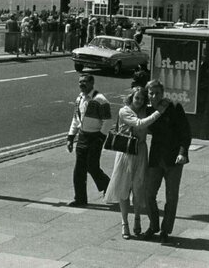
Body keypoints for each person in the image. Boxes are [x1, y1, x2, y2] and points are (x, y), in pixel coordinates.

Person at [104, 87, 169, 239]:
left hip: (140, 151)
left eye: (141, 98)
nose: (139, 101)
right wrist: (159, 111)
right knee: (123, 188)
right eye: (136, 98)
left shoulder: (145, 110)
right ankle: (124, 223)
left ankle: (137, 218)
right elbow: (139, 124)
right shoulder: (124, 111)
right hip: (126, 153)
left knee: (139, 188)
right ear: (131, 97)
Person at [142, 80, 192, 243]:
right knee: (148, 194)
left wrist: (183, 153)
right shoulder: (148, 109)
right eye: (151, 93)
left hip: (174, 160)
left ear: (162, 93)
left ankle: (165, 230)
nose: (154, 96)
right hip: (156, 158)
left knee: (171, 197)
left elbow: (186, 133)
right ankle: (153, 225)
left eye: (157, 93)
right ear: (147, 94)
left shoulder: (174, 107)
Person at [66, 73, 112, 207]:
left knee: (92, 167)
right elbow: (76, 119)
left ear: (92, 83)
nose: (82, 84)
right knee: (79, 170)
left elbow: (108, 122)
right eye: (80, 82)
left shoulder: (100, 100)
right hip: (82, 137)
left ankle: (108, 186)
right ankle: (80, 199)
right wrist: (70, 137)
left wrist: (100, 139)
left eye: (85, 82)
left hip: (95, 138)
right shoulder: (79, 98)